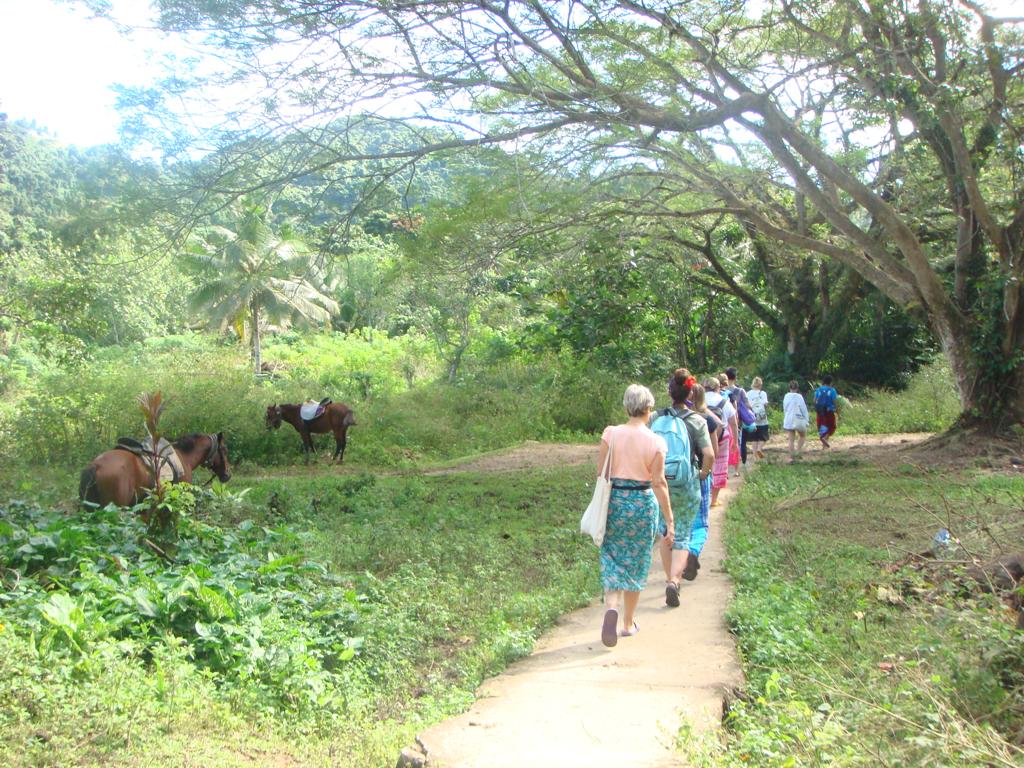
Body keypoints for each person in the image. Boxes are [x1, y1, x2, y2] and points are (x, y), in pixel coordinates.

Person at [595, 384, 673, 647]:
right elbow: (659, 482)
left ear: (627, 406)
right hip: (642, 504)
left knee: (613, 555)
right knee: (638, 562)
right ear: (649, 408)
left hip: (615, 502)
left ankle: (611, 608)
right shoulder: (656, 441)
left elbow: (601, 474)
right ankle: (628, 624)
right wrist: (669, 520)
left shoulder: (611, 434)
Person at [655, 370, 715, 608]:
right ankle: (674, 580)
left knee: (665, 533)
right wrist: (703, 474)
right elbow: (709, 454)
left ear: (670, 392)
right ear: (690, 393)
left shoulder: (657, 418)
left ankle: (669, 576)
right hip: (687, 483)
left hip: (662, 483)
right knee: (683, 535)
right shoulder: (697, 420)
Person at [704, 377, 732, 507]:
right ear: (718, 387)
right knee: (720, 466)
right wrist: (736, 441)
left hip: (703, 437)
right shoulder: (724, 401)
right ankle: (714, 500)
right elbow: (733, 421)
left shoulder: (698, 400)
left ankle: (704, 496)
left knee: (703, 465)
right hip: (722, 436)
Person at [719, 373, 742, 478]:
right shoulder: (730, 394)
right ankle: (736, 470)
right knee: (734, 445)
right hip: (730, 423)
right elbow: (735, 410)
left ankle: (725, 471)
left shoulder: (716, 394)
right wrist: (736, 422)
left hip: (720, 424)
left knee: (723, 447)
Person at [782, 380, 809, 461]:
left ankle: (791, 457)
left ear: (789, 388)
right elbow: (803, 409)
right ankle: (798, 452)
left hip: (789, 418)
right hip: (798, 418)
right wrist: (806, 420)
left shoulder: (786, 396)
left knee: (791, 440)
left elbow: (785, 408)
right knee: (802, 435)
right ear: (797, 388)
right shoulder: (799, 397)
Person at [745, 377, 770, 460]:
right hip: (762, 418)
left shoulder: (748, 393)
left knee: (754, 438)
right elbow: (765, 404)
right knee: (764, 436)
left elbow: (747, 405)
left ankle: (755, 456)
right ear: (761, 385)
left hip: (752, 417)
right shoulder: (763, 393)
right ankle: (760, 448)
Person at [813, 374, 839, 449]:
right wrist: (836, 409)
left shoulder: (819, 390)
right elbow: (834, 401)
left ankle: (824, 446)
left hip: (820, 411)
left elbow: (814, 401)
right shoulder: (832, 390)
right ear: (831, 382)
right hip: (829, 411)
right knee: (831, 427)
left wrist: (818, 407)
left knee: (822, 425)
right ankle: (825, 439)